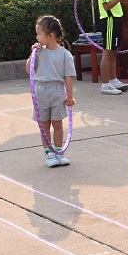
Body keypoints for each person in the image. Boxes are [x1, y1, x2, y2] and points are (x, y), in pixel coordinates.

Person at [29, 15, 75, 168]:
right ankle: (48, 153)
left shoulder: (65, 54)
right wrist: (32, 54)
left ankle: (59, 151)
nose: (37, 37)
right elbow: (29, 69)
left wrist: (70, 96)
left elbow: (68, 77)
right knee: (44, 125)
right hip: (40, 91)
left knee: (57, 124)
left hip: (57, 91)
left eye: (39, 34)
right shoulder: (39, 52)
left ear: (50, 36)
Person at [96, 0, 128, 95]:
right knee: (108, 52)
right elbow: (106, 6)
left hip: (115, 20)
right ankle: (105, 84)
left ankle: (113, 80)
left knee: (113, 51)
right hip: (110, 20)